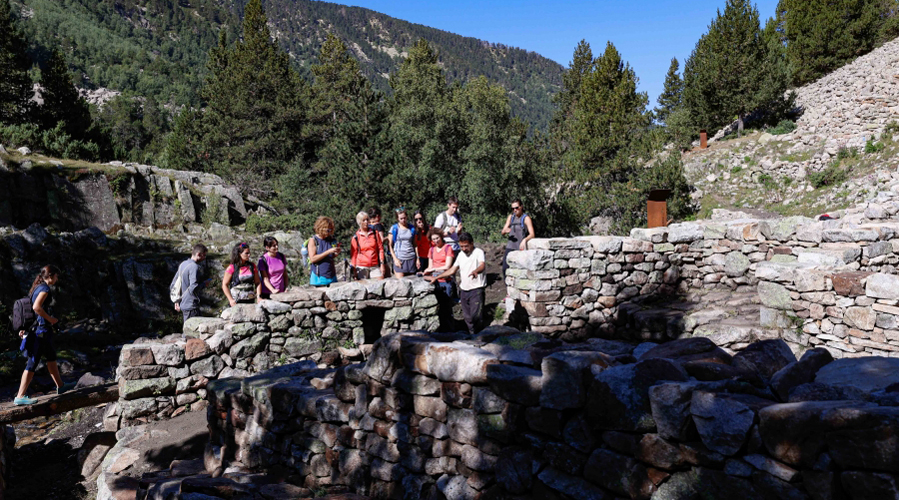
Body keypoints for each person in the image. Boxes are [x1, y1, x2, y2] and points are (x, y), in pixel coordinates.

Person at [14, 265, 68, 405]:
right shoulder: (44, 289)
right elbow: (36, 307)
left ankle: (60, 386)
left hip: (38, 330)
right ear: (50, 276)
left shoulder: (37, 287)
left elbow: (29, 311)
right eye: (56, 276)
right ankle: (20, 396)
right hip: (41, 331)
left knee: (51, 356)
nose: (57, 279)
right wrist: (51, 319)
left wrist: (25, 328)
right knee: (33, 362)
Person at [426, 232, 485, 335]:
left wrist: (476, 271)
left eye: (466, 246)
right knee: (467, 317)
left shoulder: (478, 252)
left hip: (476, 289)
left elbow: (482, 265)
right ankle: (472, 336)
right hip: (464, 290)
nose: (464, 249)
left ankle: (479, 336)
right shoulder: (461, 255)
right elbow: (452, 270)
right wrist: (437, 277)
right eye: (461, 246)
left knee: (476, 316)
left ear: (472, 243)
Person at [172, 244, 208, 323]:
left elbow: (174, 283)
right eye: (204, 255)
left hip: (184, 303)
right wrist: (204, 284)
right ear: (198, 254)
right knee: (190, 331)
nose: (204, 258)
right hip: (190, 305)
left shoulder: (183, 264)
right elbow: (194, 286)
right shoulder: (194, 267)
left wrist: (176, 301)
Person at [500, 199, 535, 277]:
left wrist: (525, 240)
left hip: (520, 248)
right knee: (505, 268)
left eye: (517, 208)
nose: (515, 210)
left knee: (520, 271)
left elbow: (532, 234)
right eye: (513, 209)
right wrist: (505, 231)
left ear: (521, 207)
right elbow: (503, 231)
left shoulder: (526, 218)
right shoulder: (511, 217)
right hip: (510, 247)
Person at [350, 211, 386, 280]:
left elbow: (380, 248)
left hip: (374, 265)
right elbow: (353, 255)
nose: (366, 222)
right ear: (359, 222)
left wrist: (382, 264)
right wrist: (354, 270)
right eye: (364, 220)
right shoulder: (356, 237)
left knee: (379, 282)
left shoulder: (375, 233)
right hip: (361, 267)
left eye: (367, 219)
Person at [422, 227, 455, 297]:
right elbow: (430, 266)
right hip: (435, 281)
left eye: (437, 238)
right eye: (434, 239)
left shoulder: (448, 248)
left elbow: (447, 266)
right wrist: (425, 271)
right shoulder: (431, 250)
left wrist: (434, 269)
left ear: (441, 237)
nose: (436, 241)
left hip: (446, 280)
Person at [308, 216, 341, 286]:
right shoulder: (313, 240)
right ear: (321, 228)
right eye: (327, 230)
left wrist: (336, 253)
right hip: (319, 278)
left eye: (331, 230)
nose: (329, 232)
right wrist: (328, 252)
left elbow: (330, 256)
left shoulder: (331, 239)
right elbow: (313, 259)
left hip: (332, 276)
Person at [388, 208, 420, 278]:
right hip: (399, 258)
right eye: (401, 218)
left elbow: (415, 244)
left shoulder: (412, 228)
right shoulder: (394, 228)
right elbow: (390, 245)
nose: (403, 220)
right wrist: (395, 259)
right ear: (397, 219)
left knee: (412, 281)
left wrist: (417, 258)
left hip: (411, 257)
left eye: (404, 218)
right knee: (401, 283)